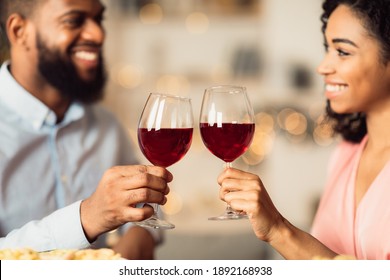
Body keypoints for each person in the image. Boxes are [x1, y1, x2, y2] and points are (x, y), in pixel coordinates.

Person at [216, 0, 390, 260]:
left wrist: (278, 229)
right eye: (327, 49)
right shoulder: (346, 155)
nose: (323, 67)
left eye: (342, 51)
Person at [0, 0, 171, 259]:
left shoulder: (106, 126)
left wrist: (139, 237)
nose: (98, 35)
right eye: (73, 20)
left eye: (98, 19)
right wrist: (87, 217)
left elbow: (145, 205)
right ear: (19, 31)